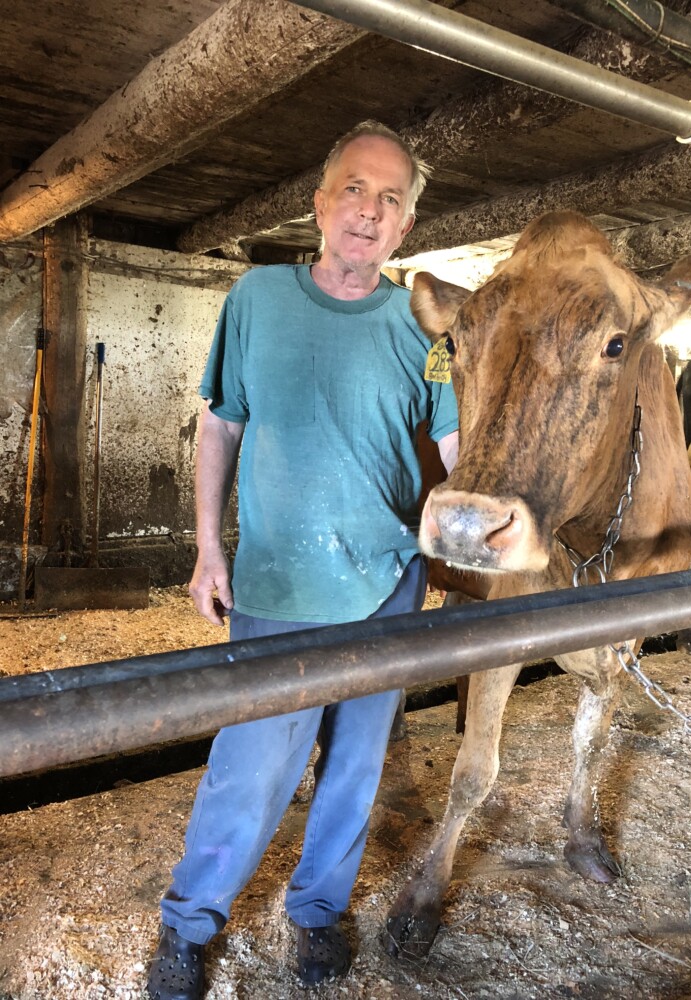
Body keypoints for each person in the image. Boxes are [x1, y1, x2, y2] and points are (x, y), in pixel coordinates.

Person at [146, 120, 459, 1000]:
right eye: (355, 189)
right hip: (278, 582)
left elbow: (463, 442)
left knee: (357, 766)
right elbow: (221, 423)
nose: (370, 210)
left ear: (405, 230)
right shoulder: (256, 297)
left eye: (391, 200)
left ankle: (318, 911)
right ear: (321, 204)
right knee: (252, 767)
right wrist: (209, 550)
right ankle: (188, 924)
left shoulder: (421, 322)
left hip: (389, 582)